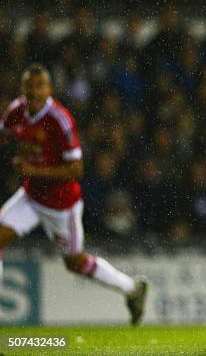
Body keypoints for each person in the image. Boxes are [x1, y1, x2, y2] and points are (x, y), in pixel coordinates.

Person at [0, 64, 148, 325]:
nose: (34, 91)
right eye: (29, 86)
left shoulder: (59, 120)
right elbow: (5, 133)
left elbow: (76, 169)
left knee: (75, 262)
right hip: (31, 197)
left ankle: (132, 289)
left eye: (39, 86)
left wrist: (32, 169)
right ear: (22, 88)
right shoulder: (16, 111)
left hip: (61, 205)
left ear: (49, 89)